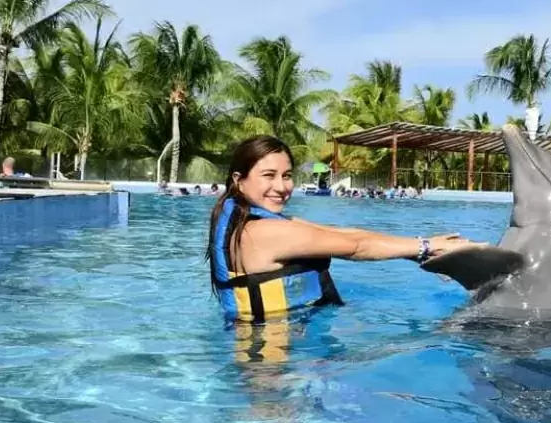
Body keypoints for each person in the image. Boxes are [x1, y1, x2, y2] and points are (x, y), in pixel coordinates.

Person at [206, 135, 483, 324]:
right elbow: (356, 247)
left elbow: (344, 235)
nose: (281, 186)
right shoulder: (263, 233)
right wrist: (426, 245)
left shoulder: (251, 221)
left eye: (287, 175)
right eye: (269, 175)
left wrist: (421, 253)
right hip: (270, 366)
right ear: (239, 180)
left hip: (280, 343)